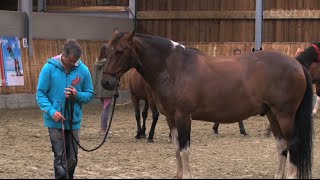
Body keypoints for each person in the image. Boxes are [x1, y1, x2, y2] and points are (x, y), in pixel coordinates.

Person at [36, 39, 94, 179]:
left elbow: (90, 94)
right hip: (55, 122)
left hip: (74, 121)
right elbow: (40, 93)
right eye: (72, 60)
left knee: (72, 158)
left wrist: (77, 95)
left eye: (77, 60)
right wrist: (51, 111)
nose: (75, 63)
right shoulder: (49, 68)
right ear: (64, 54)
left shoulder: (83, 70)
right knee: (60, 157)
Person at [212, 48, 248, 136]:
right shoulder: (230, 64)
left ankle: (242, 129)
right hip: (228, 89)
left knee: (239, 109)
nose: (237, 56)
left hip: (238, 89)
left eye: (239, 54)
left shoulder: (243, 65)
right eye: (236, 54)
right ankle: (216, 125)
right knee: (223, 108)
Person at [92, 43, 115, 135]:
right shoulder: (108, 63)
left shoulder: (97, 62)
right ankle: (103, 130)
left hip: (99, 89)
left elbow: (94, 76)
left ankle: (103, 128)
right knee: (106, 109)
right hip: (107, 88)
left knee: (104, 108)